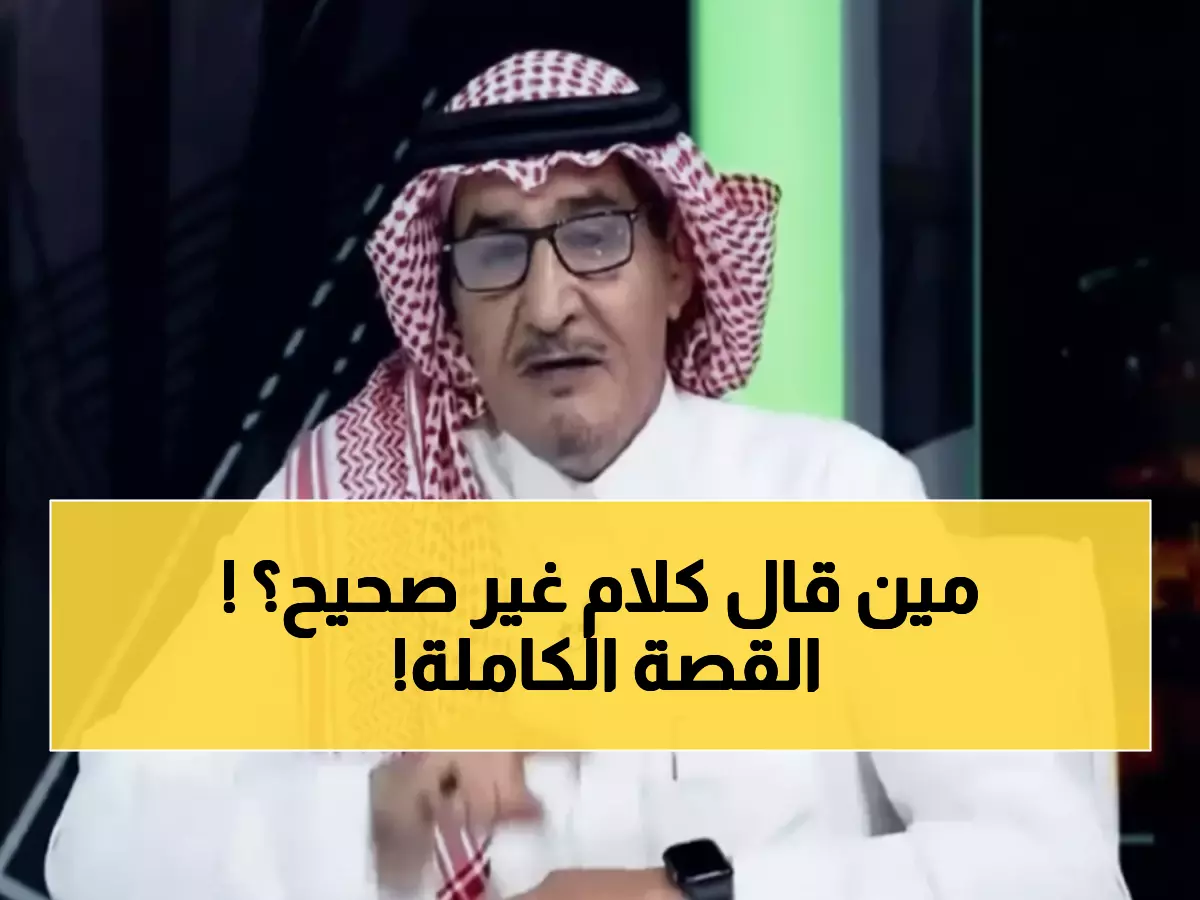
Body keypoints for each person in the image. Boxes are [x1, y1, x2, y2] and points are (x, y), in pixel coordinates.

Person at [45, 51, 1129, 900]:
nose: (549, 303)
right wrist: (368, 816)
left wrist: (691, 895)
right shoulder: (347, 509)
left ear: (678, 267)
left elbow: (1052, 866)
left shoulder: (829, 499)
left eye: (595, 235)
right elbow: (97, 851)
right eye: (496, 254)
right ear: (450, 309)